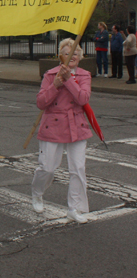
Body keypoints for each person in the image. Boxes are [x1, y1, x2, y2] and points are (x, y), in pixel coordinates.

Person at [31, 38, 92, 223]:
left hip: (77, 126)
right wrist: (56, 85)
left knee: (78, 168)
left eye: (75, 53)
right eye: (68, 53)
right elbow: (41, 102)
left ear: (80, 57)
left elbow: (83, 98)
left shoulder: (84, 75)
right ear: (60, 56)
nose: (72, 56)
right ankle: (37, 192)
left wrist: (69, 80)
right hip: (53, 125)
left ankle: (74, 207)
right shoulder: (50, 74)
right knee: (48, 167)